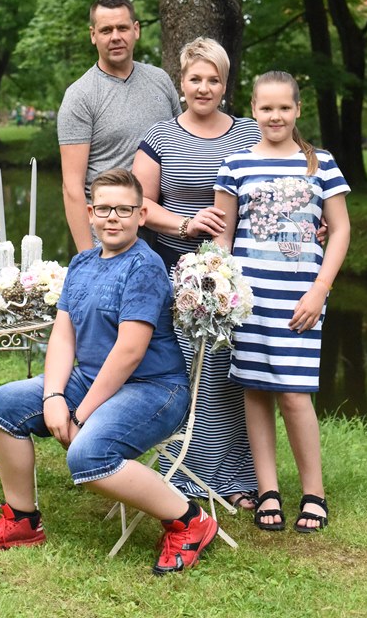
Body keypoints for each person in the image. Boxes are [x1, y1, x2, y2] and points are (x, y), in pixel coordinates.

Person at [0, 169, 218, 575]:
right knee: (4, 405)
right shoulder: (82, 263)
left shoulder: (145, 267)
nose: (113, 217)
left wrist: (80, 415)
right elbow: (63, 337)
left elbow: (130, 351)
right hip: (94, 379)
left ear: (141, 216)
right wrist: (53, 396)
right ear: (90, 213)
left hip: (152, 389)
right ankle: (23, 520)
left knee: (87, 455)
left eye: (124, 209)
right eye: (104, 208)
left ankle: (190, 521)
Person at [214, 70, 351, 534]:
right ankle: (268, 489)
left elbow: (341, 231)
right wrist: (218, 287)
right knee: (255, 390)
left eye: (284, 108)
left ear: (297, 110)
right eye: (267, 107)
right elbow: (224, 237)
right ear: (253, 109)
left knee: (294, 393)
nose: (275, 116)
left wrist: (320, 288)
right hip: (248, 299)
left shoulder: (321, 164)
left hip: (301, 298)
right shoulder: (235, 165)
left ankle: (314, 492)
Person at [132, 37, 260, 511]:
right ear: (181, 82)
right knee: (189, 373)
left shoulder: (250, 134)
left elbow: (290, 176)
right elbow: (140, 205)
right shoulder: (160, 137)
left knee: (234, 374)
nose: (204, 88)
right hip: (178, 275)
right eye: (195, 79)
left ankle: (240, 477)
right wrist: (186, 224)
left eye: (213, 79)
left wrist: (315, 218)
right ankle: (183, 473)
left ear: (225, 85)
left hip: (240, 277)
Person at [58, 0, 181, 252]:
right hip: (108, 239)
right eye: (106, 30)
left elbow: (178, 147)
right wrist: (87, 256)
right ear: (93, 35)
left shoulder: (160, 80)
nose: (115, 37)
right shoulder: (80, 96)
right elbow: (72, 188)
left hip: (164, 232)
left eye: (122, 28)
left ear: (136, 30)